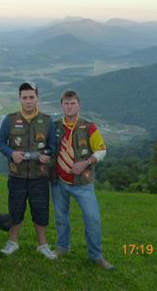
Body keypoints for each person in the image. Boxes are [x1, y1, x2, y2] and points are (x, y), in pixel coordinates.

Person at [49, 90, 115, 270]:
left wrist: (86, 162)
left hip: (83, 184)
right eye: (66, 103)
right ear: (61, 105)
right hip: (59, 182)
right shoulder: (54, 127)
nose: (69, 106)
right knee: (61, 217)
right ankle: (62, 247)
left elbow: (102, 150)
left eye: (73, 103)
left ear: (79, 105)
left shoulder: (88, 126)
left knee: (92, 219)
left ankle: (96, 256)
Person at [0, 82, 57, 260]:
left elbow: (52, 146)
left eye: (32, 97)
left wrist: (47, 154)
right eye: (25, 97)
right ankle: (12, 243)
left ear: (37, 98)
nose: (28, 101)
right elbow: (0, 143)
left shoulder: (47, 121)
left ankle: (43, 245)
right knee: (15, 210)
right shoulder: (9, 119)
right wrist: (11, 153)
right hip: (17, 175)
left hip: (40, 176)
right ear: (20, 99)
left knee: (41, 210)